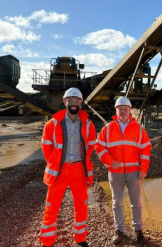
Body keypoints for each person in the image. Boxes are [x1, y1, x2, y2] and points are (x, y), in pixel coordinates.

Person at [38, 87, 96, 247]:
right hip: (59, 171)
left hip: (79, 170)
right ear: (64, 102)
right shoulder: (52, 124)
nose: (73, 103)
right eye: (70, 100)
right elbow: (46, 149)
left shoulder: (88, 124)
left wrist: (80, 161)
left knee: (81, 205)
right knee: (51, 206)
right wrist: (56, 163)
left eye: (77, 100)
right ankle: (47, 241)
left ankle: (80, 239)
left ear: (81, 103)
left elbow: (90, 146)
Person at [94, 97, 151, 245]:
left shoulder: (138, 129)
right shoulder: (108, 128)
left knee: (136, 202)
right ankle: (119, 230)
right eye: (120, 108)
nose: (123, 111)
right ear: (116, 110)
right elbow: (99, 147)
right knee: (116, 202)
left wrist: (143, 168)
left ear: (130, 110)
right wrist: (110, 162)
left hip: (134, 172)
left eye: (126, 108)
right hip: (115, 171)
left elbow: (145, 149)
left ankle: (138, 230)